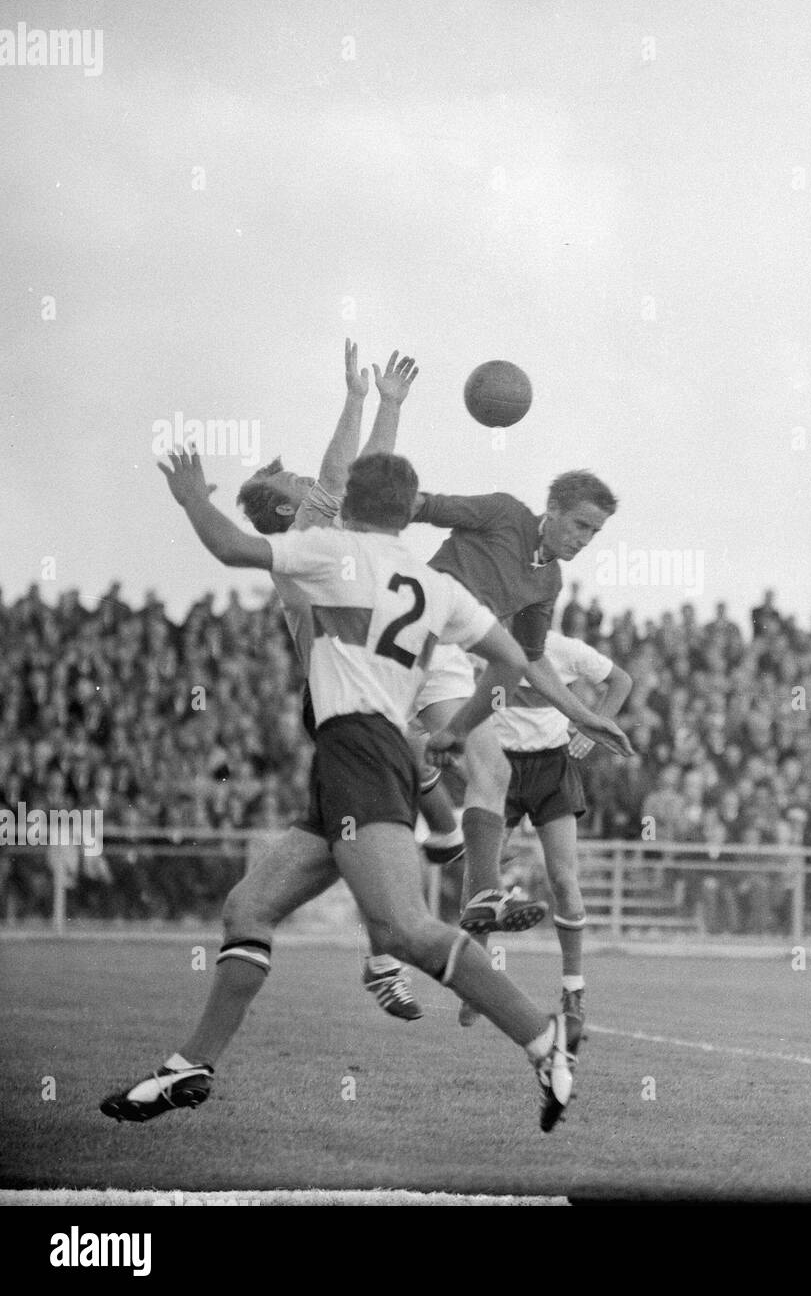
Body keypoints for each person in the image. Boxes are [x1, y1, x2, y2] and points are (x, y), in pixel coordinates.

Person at [101, 451, 576, 1132]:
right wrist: (460, 729)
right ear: (405, 508)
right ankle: (192, 1065)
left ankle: (541, 1037)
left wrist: (189, 498)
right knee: (248, 907)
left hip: (360, 748)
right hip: (356, 754)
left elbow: (231, 544)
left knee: (406, 930)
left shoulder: (332, 550)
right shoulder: (433, 582)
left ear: (352, 500)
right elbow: (509, 659)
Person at [231, 341, 457, 1020]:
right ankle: (419, 899)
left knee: (352, 834)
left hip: (371, 686)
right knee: (384, 810)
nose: (307, 482)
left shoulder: (337, 540)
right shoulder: (299, 546)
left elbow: (370, 482)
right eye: (294, 484)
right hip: (347, 696)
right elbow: (340, 481)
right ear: (282, 511)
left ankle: (387, 949)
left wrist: (387, 407)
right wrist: (361, 401)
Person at [408, 471, 634, 939]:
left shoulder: (549, 580)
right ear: (551, 510)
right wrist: (370, 520)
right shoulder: (503, 512)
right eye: (579, 525)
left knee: (493, 771)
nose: (585, 539)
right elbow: (425, 506)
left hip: (447, 658)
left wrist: (586, 717)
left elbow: (532, 659)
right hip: (412, 628)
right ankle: (440, 835)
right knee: (385, 767)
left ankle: (481, 895)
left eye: (594, 532)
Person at [456, 630, 632, 1052]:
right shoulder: (482, 644)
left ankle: (573, 989)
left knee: (564, 880)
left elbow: (621, 681)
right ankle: (476, 984)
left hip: (553, 767)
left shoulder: (564, 649)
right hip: (498, 766)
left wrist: (590, 729)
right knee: (480, 882)